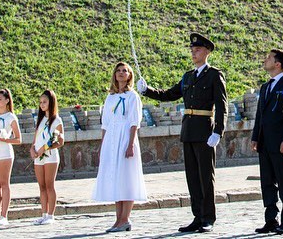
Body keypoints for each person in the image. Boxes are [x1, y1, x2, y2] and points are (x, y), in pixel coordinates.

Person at [138, 33, 228, 234]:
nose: (194, 53)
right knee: (193, 178)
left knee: (206, 177)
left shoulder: (214, 75)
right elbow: (169, 94)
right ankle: (197, 216)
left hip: (205, 131)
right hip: (188, 130)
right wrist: (147, 90)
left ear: (207, 52)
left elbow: (222, 106)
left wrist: (218, 131)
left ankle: (208, 218)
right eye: (192, 50)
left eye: (197, 50)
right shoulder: (188, 77)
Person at [251, 50, 283, 235]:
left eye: (269, 58)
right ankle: (271, 220)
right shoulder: (266, 87)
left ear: (278, 64)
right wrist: (255, 136)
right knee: (267, 182)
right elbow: (260, 115)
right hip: (265, 141)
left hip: (281, 141)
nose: (265, 60)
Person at [93, 62, 147, 233]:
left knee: (127, 177)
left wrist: (130, 144)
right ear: (115, 75)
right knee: (116, 178)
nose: (121, 73)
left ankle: (125, 218)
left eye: (125, 71)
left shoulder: (133, 97)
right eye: (118, 71)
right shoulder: (110, 98)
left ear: (130, 75)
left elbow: (134, 122)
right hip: (112, 139)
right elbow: (105, 124)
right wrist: (103, 146)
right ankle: (118, 220)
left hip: (125, 138)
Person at [30, 90, 63, 226]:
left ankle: (51, 214)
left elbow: (60, 141)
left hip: (50, 156)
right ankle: (43, 214)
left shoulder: (56, 120)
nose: (42, 105)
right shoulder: (40, 120)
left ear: (51, 102)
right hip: (38, 156)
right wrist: (32, 149)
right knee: (41, 186)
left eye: (45, 102)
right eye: (40, 102)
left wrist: (45, 148)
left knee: (49, 185)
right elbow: (35, 139)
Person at [0, 89, 20, 227]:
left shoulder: (10, 117)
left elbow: (18, 139)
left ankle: (4, 215)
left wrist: (5, 139)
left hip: (5, 153)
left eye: (0, 99)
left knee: (4, 183)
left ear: (7, 100)